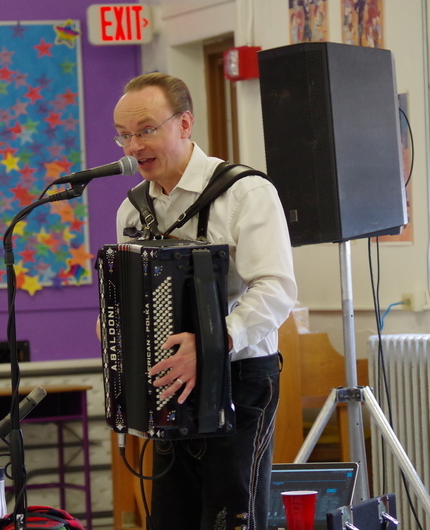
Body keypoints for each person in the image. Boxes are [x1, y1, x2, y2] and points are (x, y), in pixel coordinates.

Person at [111, 72, 297, 530]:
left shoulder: (245, 192)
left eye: (146, 130)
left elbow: (276, 289)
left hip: (240, 378)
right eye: (124, 136)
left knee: (230, 517)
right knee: (172, 517)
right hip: (170, 380)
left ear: (185, 123)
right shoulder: (133, 209)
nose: (134, 147)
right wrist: (114, 323)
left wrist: (212, 344)